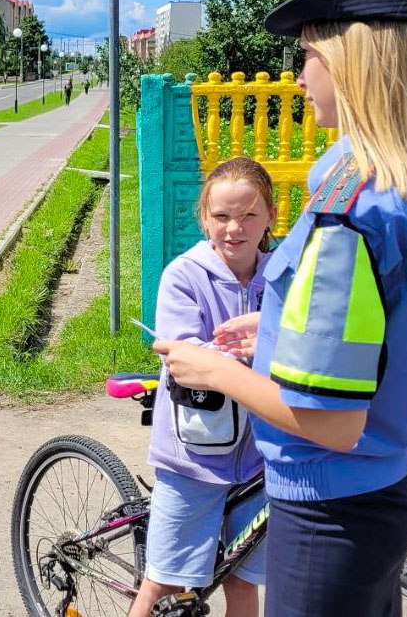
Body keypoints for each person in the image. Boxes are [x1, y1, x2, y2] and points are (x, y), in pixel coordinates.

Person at [153, 0, 407, 616]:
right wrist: (276, 330)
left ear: (354, 60)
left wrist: (211, 369)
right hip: (391, 484)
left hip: (326, 512)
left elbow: (328, 422)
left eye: (307, 54)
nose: (298, 75)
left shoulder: (350, 202)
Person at [129, 157, 273, 617]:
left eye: (249, 214)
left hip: (258, 459)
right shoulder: (184, 275)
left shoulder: (283, 278)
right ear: (204, 219)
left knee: (243, 580)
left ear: (270, 215)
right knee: (164, 582)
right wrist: (263, 352)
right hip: (192, 456)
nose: (235, 228)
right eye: (222, 216)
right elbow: (186, 357)